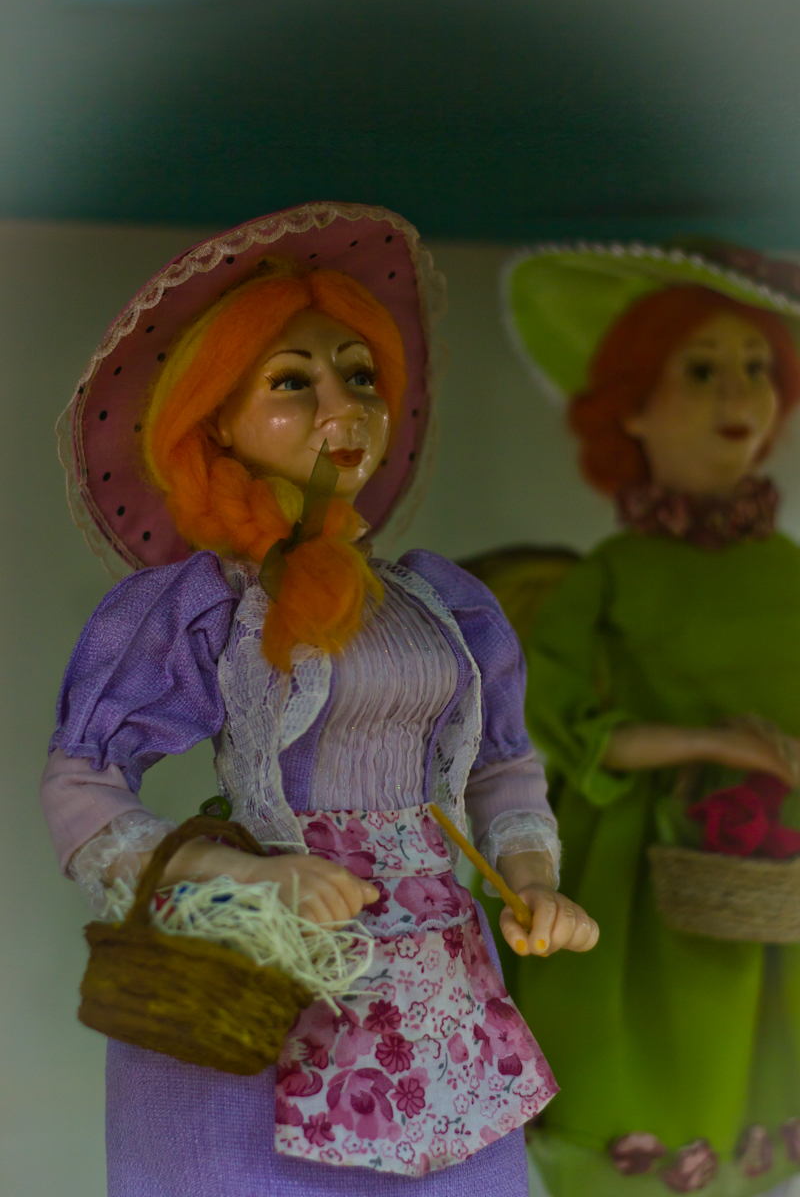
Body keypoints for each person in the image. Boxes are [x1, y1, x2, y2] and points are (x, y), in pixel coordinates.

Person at [40, 203, 597, 1197]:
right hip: (281, 966)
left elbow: (502, 763)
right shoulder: (206, 606)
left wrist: (531, 876)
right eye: (292, 382)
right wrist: (237, 878)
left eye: (359, 375)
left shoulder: (438, 600)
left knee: (456, 1169)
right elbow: (82, 783)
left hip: (436, 968)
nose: (343, 405)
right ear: (217, 419)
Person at [496, 240, 800, 1197]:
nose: (738, 394)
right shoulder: (614, 573)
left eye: (756, 367)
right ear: (630, 406)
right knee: (643, 1080)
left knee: (753, 1077)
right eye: (700, 370)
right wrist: (711, 743)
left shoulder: (787, 570)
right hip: (638, 875)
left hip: (775, 874)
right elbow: (558, 725)